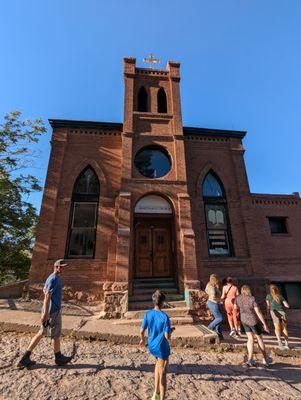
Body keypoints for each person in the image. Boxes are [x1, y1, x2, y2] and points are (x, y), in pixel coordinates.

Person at [17, 259, 72, 368]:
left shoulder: (52, 278)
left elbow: (45, 291)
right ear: (56, 267)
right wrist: (45, 314)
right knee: (51, 333)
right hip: (52, 312)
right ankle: (57, 357)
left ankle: (26, 358)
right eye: (61, 267)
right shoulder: (53, 279)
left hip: (51, 311)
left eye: (64, 267)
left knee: (45, 333)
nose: (63, 269)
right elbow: (47, 297)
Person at [140, 290, 172, 400]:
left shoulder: (148, 314)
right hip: (161, 347)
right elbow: (167, 336)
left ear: (154, 301)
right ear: (162, 302)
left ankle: (155, 393)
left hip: (152, 345)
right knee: (163, 373)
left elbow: (141, 331)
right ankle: (161, 398)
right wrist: (171, 331)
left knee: (157, 366)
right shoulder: (165, 317)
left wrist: (142, 340)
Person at [234, 285, 272, 367]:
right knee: (259, 338)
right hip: (253, 321)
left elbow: (235, 308)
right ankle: (265, 358)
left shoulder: (238, 298)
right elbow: (258, 311)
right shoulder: (252, 299)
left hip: (244, 320)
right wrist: (264, 324)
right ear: (249, 290)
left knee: (250, 339)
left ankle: (250, 359)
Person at [266, 284, 290, 349]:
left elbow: (268, 306)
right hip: (282, 312)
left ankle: (280, 342)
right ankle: (287, 344)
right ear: (277, 290)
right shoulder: (281, 296)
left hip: (274, 312)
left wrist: (268, 314)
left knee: (277, 327)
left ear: (270, 290)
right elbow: (287, 306)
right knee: (284, 328)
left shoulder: (268, 296)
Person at [205, 274, 223, 339]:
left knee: (217, 319)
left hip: (214, 303)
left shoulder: (210, 285)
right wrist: (219, 300)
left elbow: (207, 291)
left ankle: (219, 334)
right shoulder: (212, 287)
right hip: (213, 303)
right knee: (219, 318)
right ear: (215, 280)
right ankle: (209, 328)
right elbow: (213, 295)